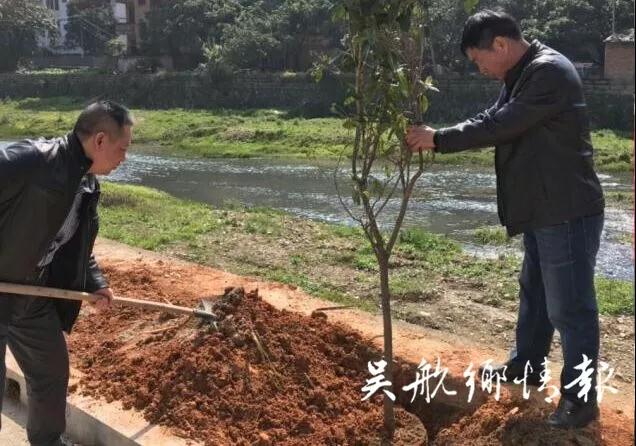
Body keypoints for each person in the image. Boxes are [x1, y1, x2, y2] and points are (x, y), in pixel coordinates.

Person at [406, 10, 605, 429]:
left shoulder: (548, 72)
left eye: (479, 60)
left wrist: (439, 139)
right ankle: (526, 367)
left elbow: (501, 125)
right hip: (543, 208)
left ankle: (581, 400)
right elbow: (488, 118)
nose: (480, 70)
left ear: (500, 44)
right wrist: (439, 136)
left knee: (571, 308)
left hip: (566, 210)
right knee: (536, 295)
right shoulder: (523, 74)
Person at [0, 100, 133, 445]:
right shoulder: (33, 161)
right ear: (100, 140)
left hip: (31, 295)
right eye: (122, 148)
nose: (125, 158)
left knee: (50, 372)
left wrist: (96, 283)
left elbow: (75, 248)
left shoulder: (87, 185)